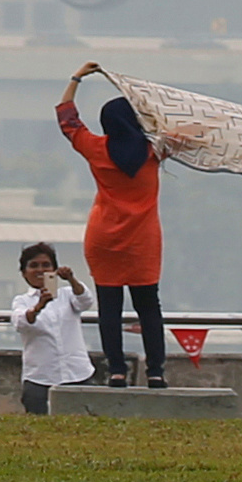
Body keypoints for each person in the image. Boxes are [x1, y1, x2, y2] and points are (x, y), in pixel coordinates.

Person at [56, 64, 170, 387]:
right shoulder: (154, 150)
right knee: (149, 307)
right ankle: (156, 371)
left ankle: (117, 370)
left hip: (103, 239)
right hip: (143, 242)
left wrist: (76, 78)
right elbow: (187, 134)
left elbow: (67, 120)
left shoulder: (97, 149)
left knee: (110, 308)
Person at [2, 242, 94, 416]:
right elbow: (21, 321)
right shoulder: (22, 300)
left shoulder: (67, 294)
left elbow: (85, 301)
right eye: (34, 266)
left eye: (46, 265)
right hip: (40, 377)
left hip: (77, 373)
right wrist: (39, 307)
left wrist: (72, 279)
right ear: (24, 273)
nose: (40, 270)